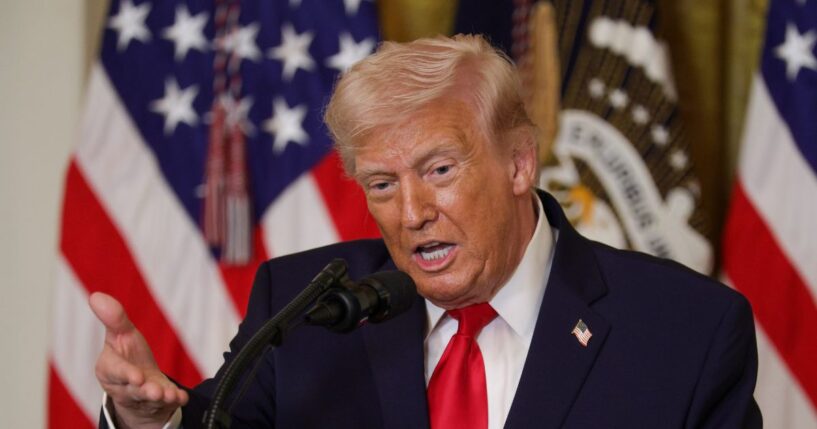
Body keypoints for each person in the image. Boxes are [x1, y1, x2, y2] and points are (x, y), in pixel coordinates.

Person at [91, 34, 762, 428]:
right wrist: (148, 420)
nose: (410, 213)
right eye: (382, 184)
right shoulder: (304, 307)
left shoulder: (686, 329)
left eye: (439, 170)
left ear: (519, 162)